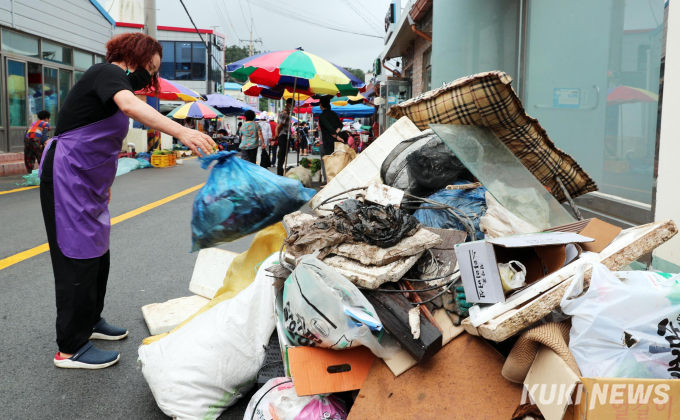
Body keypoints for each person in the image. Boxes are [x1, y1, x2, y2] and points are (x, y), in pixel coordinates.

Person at [39, 32, 215, 370]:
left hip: (88, 181)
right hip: (67, 175)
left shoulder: (116, 83)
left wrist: (103, 185)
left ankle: (90, 320)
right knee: (77, 255)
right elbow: (130, 106)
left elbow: (101, 143)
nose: (150, 79)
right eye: (152, 69)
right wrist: (182, 131)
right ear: (135, 58)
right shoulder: (107, 73)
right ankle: (70, 347)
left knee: (97, 251)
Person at [318, 96, 342, 185]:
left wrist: (334, 133)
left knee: (328, 162)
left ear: (321, 105)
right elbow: (340, 124)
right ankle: (335, 181)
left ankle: (329, 183)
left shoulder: (322, 115)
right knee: (336, 161)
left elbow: (328, 126)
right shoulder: (334, 114)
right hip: (337, 142)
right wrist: (337, 133)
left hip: (328, 141)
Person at [275, 98, 293, 175]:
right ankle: (279, 173)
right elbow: (280, 125)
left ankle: (281, 172)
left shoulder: (287, 113)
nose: (293, 107)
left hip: (285, 136)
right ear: (289, 104)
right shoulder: (285, 113)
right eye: (293, 105)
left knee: (282, 156)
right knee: (281, 156)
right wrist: (276, 134)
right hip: (283, 136)